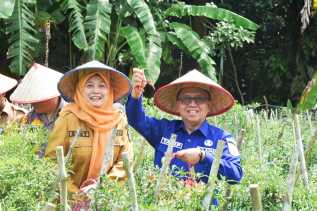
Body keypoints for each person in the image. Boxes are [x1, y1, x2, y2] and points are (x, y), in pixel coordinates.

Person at [126, 68, 242, 193]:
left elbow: (236, 174)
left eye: (200, 99)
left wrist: (203, 156)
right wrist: (136, 95)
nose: (192, 104)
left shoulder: (222, 138)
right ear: (178, 105)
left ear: (209, 105)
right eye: (186, 99)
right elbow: (136, 120)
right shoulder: (164, 130)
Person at [45, 60, 132, 208]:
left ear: (109, 89)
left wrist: (100, 191)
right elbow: (51, 162)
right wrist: (77, 196)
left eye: (101, 85)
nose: (96, 91)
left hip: (106, 201)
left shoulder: (119, 120)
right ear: (79, 89)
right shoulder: (68, 118)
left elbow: (126, 161)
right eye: (89, 85)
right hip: (69, 203)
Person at [10, 63, 64, 131]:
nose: (33, 102)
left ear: (54, 95)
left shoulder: (72, 114)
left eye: (38, 97)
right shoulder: (30, 117)